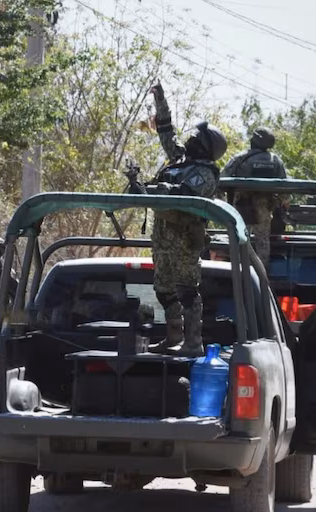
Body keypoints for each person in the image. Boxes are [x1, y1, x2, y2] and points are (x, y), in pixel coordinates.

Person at [131, 83, 227, 358]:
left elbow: (185, 197)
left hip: (185, 238)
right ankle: (173, 337)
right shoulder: (180, 159)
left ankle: (192, 342)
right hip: (162, 235)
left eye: (198, 137)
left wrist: (159, 191)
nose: (192, 139)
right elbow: (166, 132)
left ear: (206, 146)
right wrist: (160, 101)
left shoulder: (206, 172)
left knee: (187, 290)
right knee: (162, 288)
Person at [221, 127, 287, 264]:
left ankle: (239, 273)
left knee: (239, 238)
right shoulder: (276, 160)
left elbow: (222, 177)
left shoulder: (241, 157)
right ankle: (262, 276)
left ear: (255, 140)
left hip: (242, 205)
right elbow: (285, 188)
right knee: (263, 241)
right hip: (265, 206)